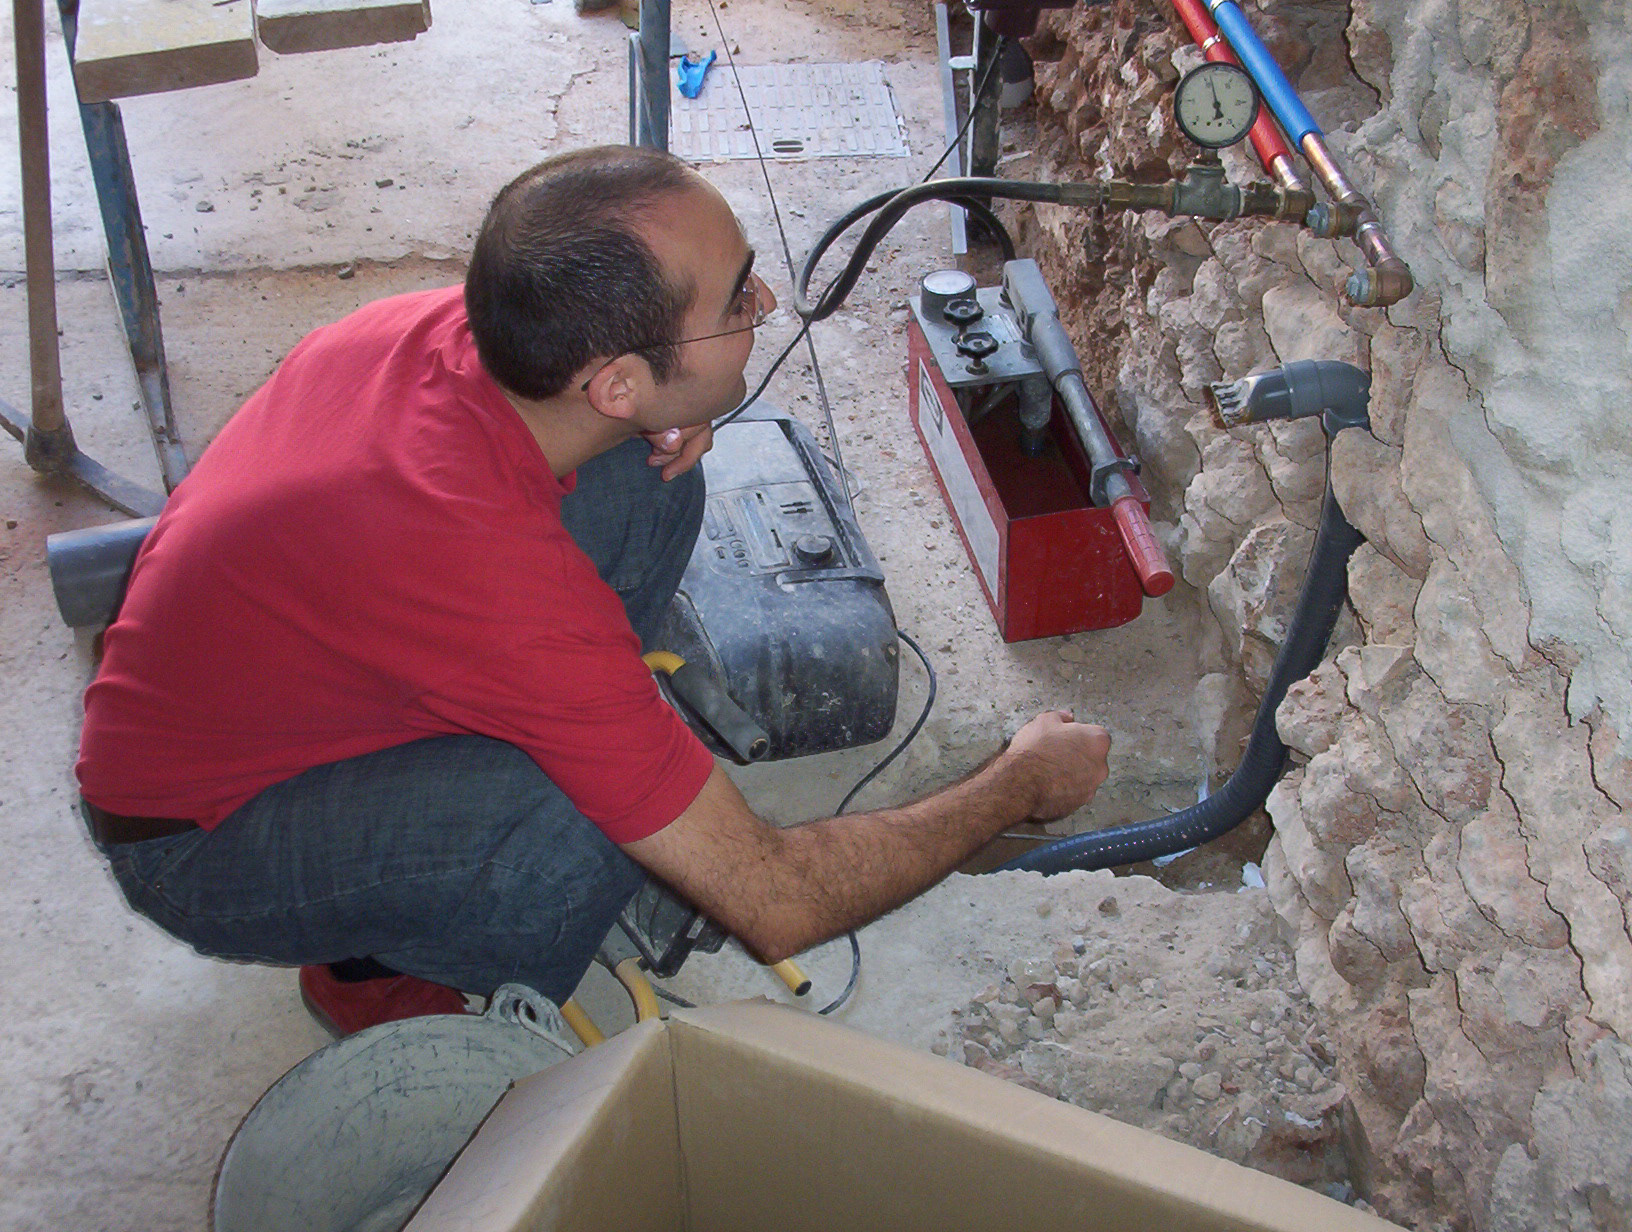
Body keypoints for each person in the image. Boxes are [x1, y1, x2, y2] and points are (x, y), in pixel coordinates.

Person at [75, 146, 1112, 1037]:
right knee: (577, 818)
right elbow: (778, 901)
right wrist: (1015, 781)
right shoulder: (488, 571)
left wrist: (675, 404)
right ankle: (376, 971)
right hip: (197, 841)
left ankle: (568, 769)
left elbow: (598, 445)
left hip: (291, 688)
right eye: (738, 298)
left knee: (652, 475)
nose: (765, 308)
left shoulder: (460, 334)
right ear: (614, 379)